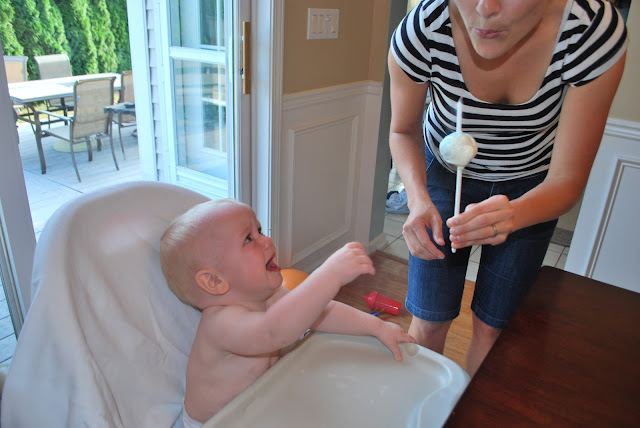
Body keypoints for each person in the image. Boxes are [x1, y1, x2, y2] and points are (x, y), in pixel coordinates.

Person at [388, 0, 627, 377]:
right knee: (429, 316)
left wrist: (516, 214)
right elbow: (403, 131)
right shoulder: (423, 29)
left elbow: (567, 179)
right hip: (444, 177)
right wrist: (418, 199)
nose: (485, 9)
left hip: (533, 187)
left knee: (495, 329)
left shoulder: (589, 32)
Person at [160, 199, 415, 426]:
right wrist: (330, 275)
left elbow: (321, 312)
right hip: (219, 422)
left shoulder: (268, 296)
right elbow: (274, 332)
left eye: (259, 230)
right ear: (214, 281)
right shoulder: (221, 323)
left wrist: (377, 327)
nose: (267, 240)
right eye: (248, 239)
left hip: (261, 403)